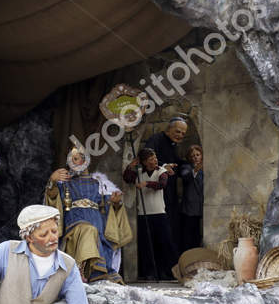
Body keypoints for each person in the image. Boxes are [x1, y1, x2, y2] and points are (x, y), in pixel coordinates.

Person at [45, 146, 129, 282]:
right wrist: (52, 182)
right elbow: (53, 197)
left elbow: (106, 205)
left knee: (93, 231)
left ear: (86, 160)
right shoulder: (65, 184)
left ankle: (94, 272)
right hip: (74, 222)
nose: (74, 162)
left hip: (96, 220)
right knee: (88, 230)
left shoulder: (99, 183)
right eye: (71, 159)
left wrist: (115, 203)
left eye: (77, 158)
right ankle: (80, 268)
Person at [124, 147, 176, 281]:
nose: (154, 160)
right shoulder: (139, 172)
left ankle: (166, 272)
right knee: (147, 245)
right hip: (144, 214)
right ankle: (149, 272)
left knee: (163, 243)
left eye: (155, 158)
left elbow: (162, 184)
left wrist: (147, 183)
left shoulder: (161, 171)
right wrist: (131, 166)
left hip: (159, 213)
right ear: (144, 162)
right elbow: (127, 178)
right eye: (150, 159)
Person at [141, 117, 188, 256]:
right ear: (168, 129)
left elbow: (174, 163)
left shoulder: (173, 145)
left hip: (170, 196)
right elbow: (146, 157)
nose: (180, 135)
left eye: (183, 134)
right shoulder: (156, 139)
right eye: (178, 131)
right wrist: (162, 166)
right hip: (155, 196)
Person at [176, 144, 205, 254]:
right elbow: (185, 176)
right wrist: (195, 171)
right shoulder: (187, 168)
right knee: (188, 236)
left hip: (200, 207)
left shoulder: (204, 169)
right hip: (189, 209)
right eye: (192, 156)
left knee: (197, 235)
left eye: (198, 155)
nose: (195, 157)